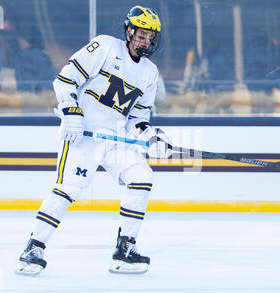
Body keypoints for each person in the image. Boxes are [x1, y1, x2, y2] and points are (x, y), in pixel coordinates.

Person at [15, 5, 172, 276]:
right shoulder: (105, 47)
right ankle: (33, 247)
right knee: (68, 188)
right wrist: (71, 112)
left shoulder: (149, 72)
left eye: (151, 36)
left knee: (142, 176)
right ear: (129, 31)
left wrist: (151, 135)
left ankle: (125, 248)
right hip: (83, 134)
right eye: (142, 34)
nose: (146, 40)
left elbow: (137, 117)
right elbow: (65, 80)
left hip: (115, 138)